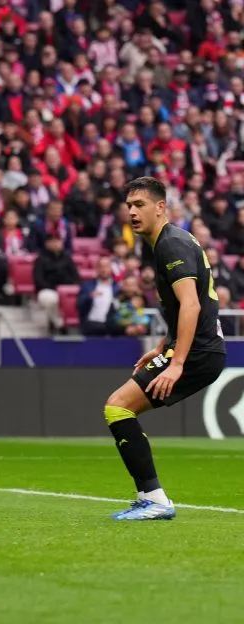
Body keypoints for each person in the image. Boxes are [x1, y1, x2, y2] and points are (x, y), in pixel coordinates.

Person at [103, 177, 225, 521]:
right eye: (128, 206)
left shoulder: (171, 245)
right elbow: (186, 303)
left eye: (139, 205)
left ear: (161, 207)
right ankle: (150, 497)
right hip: (193, 348)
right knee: (118, 409)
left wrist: (176, 362)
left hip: (198, 353)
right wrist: (162, 346)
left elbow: (191, 306)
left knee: (118, 407)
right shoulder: (167, 243)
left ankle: (155, 499)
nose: (132, 212)